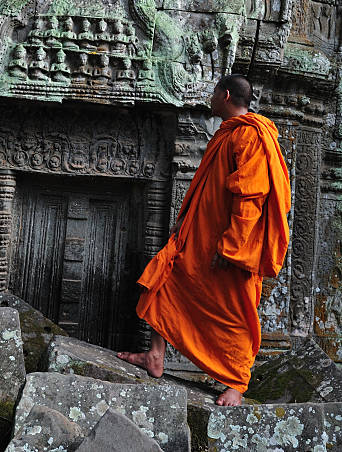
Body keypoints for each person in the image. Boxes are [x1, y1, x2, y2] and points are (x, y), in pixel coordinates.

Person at [117, 74, 291, 406]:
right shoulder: (225, 136)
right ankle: (155, 355)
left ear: (225, 95)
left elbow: (251, 197)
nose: (209, 100)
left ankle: (236, 382)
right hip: (198, 240)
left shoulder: (250, 137)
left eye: (212, 94)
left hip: (227, 249)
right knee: (165, 280)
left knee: (234, 311)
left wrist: (232, 246)